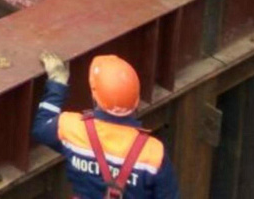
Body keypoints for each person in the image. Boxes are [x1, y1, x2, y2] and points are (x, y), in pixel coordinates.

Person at [32, 51, 179, 199]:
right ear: (136, 101)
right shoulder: (153, 153)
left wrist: (57, 81)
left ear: (94, 97)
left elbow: (41, 127)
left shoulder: (72, 129)